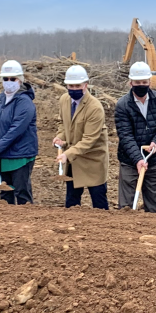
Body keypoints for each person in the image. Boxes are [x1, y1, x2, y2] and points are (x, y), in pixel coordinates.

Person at [114, 61, 156, 212]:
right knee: (126, 207)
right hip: (129, 161)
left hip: (153, 160)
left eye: (144, 82)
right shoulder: (123, 105)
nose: (141, 85)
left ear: (149, 82)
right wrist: (138, 159)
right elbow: (125, 135)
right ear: (130, 83)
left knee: (154, 206)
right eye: (137, 82)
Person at [54, 65, 110, 209]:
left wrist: (67, 153)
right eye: (70, 86)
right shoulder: (64, 100)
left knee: (99, 202)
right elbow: (63, 123)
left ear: (86, 85)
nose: (74, 89)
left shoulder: (95, 108)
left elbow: (89, 140)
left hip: (93, 159)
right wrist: (60, 137)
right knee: (72, 200)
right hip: (73, 160)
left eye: (77, 85)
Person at [0, 60, 38, 205]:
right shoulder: (1, 98)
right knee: (5, 192)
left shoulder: (25, 103)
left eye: (12, 79)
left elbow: (16, 130)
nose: (9, 82)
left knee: (21, 191)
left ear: (20, 80)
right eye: (5, 79)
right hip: (3, 154)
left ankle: (26, 222)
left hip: (20, 155)